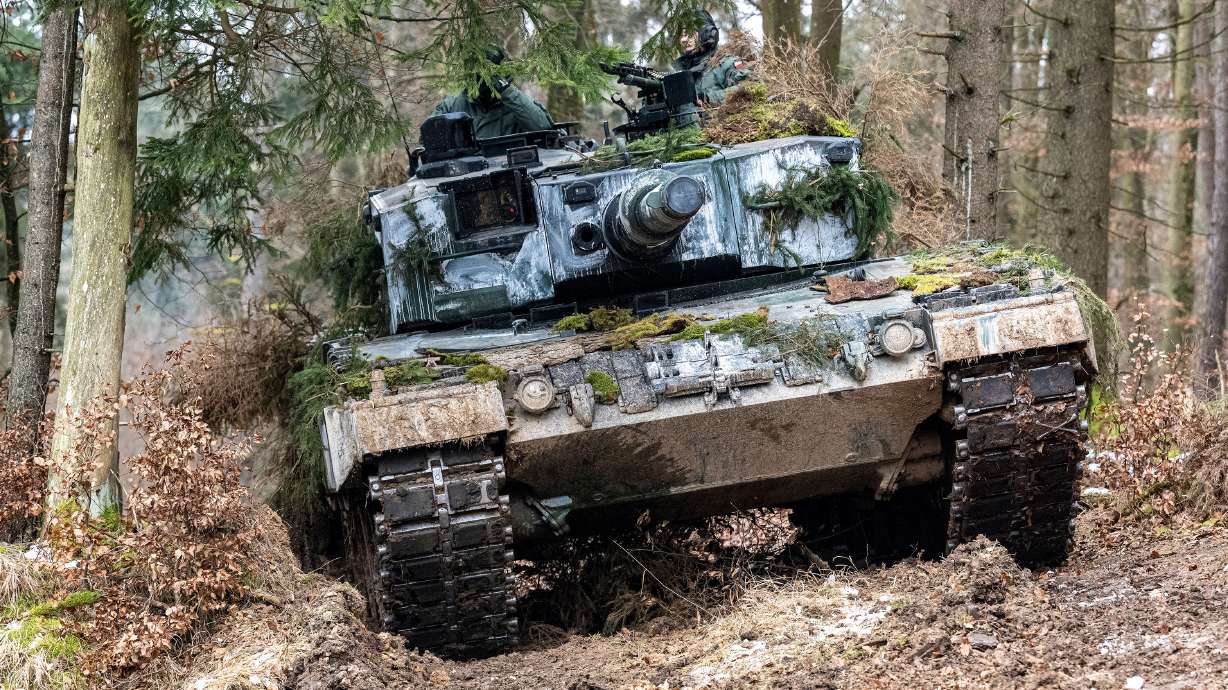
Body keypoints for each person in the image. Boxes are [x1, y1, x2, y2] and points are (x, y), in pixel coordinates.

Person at [433, 47, 556, 139]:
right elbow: (430, 140)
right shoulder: (452, 106)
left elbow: (544, 129)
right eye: (477, 74)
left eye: (488, 74)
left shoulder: (516, 103)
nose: (483, 80)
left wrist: (505, 90)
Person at [673, 10, 751, 107]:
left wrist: (708, 98)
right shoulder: (678, 74)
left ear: (706, 33)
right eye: (680, 35)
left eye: (688, 33)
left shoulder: (726, 63)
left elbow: (750, 86)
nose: (683, 40)